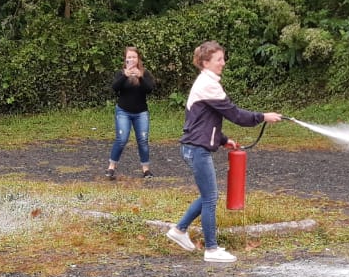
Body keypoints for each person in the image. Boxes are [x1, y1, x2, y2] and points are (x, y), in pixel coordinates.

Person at [166, 41, 281, 264]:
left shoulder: (207, 82)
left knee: (208, 195)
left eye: (222, 58)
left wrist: (224, 140)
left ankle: (179, 230)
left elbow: (204, 121)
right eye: (219, 59)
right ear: (205, 62)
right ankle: (211, 249)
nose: (223, 63)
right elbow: (235, 114)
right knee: (210, 198)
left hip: (195, 146)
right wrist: (263, 117)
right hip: (197, 150)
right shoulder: (208, 85)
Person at [106, 46, 155, 180]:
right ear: (125, 59)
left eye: (134, 57)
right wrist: (125, 76)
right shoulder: (121, 73)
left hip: (141, 113)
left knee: (143, 141)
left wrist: (140, 77)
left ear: (138, 58)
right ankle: (111, 167)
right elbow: (114, 88)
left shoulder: (145, 73)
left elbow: (150, 89)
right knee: (121, 139)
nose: (132, 59)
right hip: (123, 111)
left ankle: (146, 169)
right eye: (129, 57)